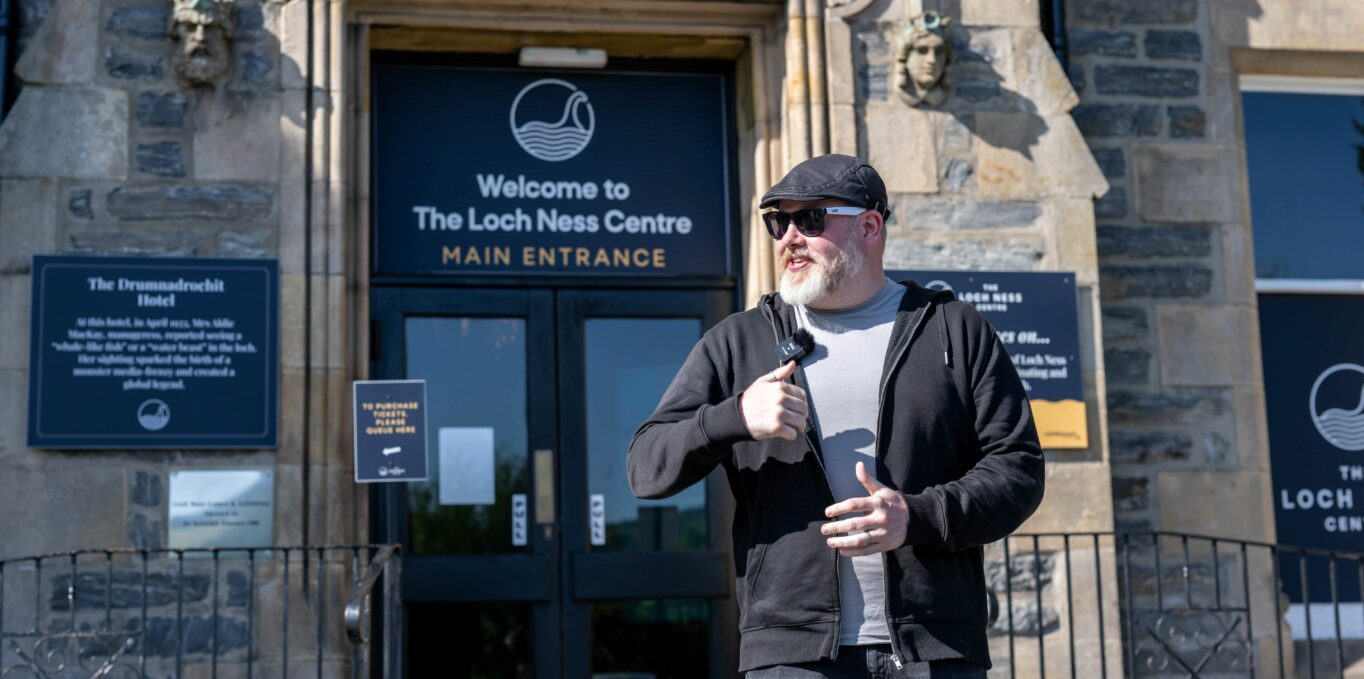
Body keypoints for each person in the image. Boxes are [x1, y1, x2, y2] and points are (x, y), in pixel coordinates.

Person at [628, 154, 1045, 677]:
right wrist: (733, 416)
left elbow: (1019, 469)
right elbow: (645, 467)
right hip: (794, 657)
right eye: (778, 222)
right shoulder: (739, 343)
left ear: (870, 225)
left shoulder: (951, 330)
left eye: (810, 219)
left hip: (934, 647)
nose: (788, 238)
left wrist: (915, 517)